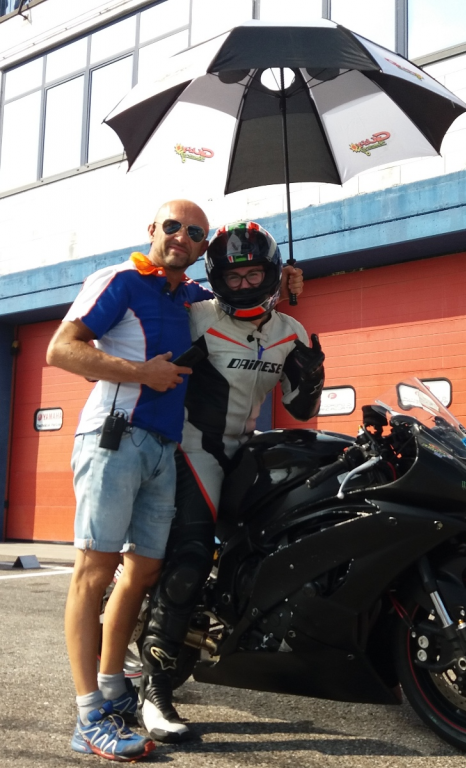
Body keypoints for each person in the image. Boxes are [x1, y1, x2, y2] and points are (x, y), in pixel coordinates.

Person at [46, 201, 304, 761]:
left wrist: (284, 289)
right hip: (115, 436)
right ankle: (89, 714)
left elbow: (240, 301)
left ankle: (114, 687)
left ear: (201, 245)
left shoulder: (186, 296)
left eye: (194, 231)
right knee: (94, 572)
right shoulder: (119, 279)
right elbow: (61, 350)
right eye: (172, 227)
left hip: (164, 448)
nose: (181, 236)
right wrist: (142, 373)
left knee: (143, 571)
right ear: (152, 230)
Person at [137, 221, 325, 744]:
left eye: (254, 275)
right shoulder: (196, 317)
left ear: (272, 273)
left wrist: (311, 376)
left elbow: (299, 410)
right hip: (192, 448)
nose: (243, 284)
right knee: (192, 558)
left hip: (246, 449)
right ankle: (154, 689)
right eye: (233, 276)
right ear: (217, 278)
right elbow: (159, 295)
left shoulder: (291, 330)